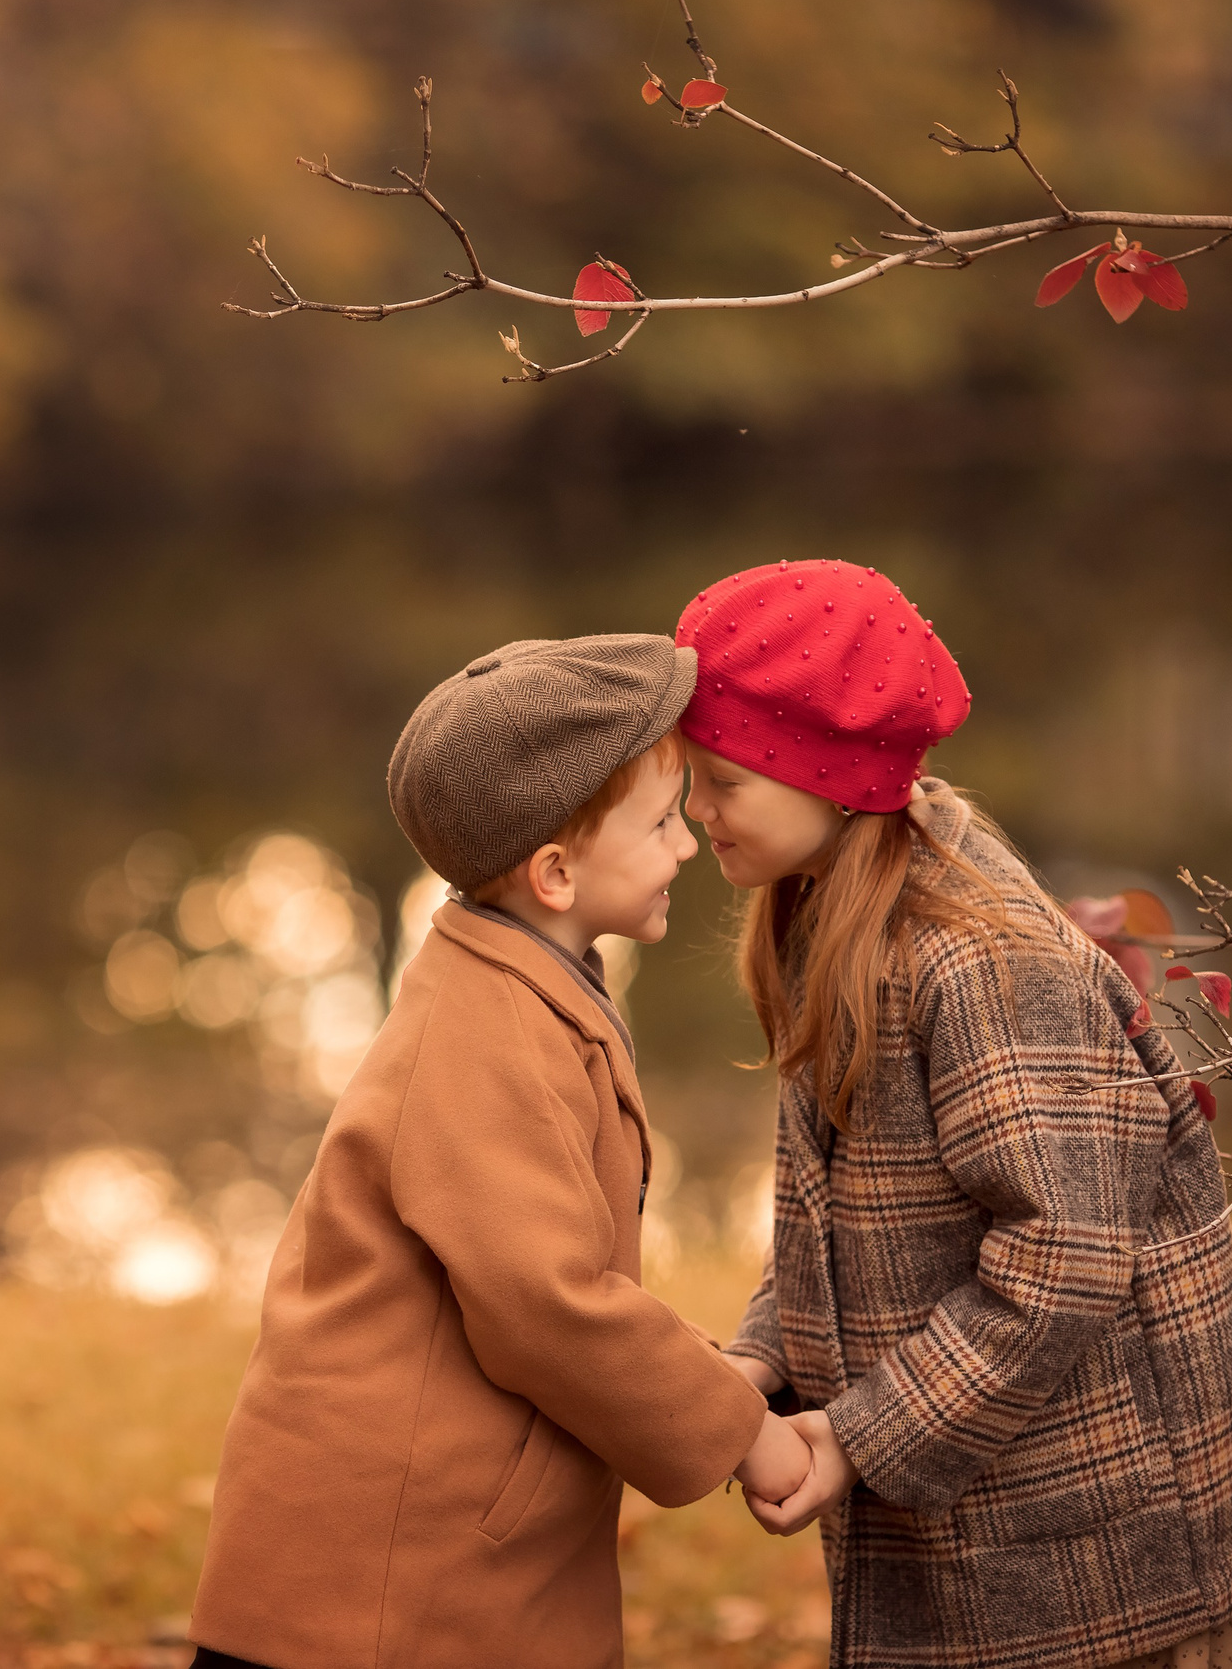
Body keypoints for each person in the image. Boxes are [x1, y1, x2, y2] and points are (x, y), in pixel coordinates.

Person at [678, 561, 1232, 1669]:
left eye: (720, 780)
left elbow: (1064, 1255)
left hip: (1127, 1550)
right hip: (1008, 1523)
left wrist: (857, 1437)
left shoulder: (979, 965)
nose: (697, 811)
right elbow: (838, 1224)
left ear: (826, 774)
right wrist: (760, 1362)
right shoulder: (831, 914)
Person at [188, 634, 813, 1669]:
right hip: (378, 1587)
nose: (686, 847)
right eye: (662, 823)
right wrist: (745, 1431)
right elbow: (547, 1300)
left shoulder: (519, 984)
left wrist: (713, 1371)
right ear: (556, 874)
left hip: (436, 1548)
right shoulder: (480, 1039)